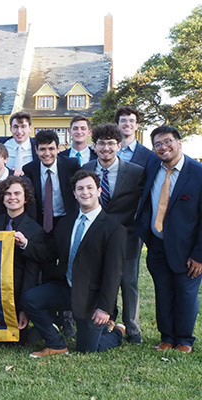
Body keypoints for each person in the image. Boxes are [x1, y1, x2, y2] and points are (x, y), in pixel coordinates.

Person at [17, 170, 126, 357]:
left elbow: (113, 272)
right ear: (74, 194)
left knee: (87, 349)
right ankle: (56, 344)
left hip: (91, 298)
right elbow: (49, 252)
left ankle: (117, 332)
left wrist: (104, 308)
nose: (85, 192)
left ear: (99, 191)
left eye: (90, 188)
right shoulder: (67, 223)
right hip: (66, 287)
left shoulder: (114, 229)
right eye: (80, 189)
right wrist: (25, 244)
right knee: (30, 299)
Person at [135, 126, 202, 354]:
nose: (164, 147)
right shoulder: (153, 165)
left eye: (168, 141)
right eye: (158, 144)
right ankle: (167, 337)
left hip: (188, 249)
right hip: (157, 245)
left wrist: (199, 255)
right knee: (163, 292)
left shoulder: (198, 173)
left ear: (179, 142)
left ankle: (184, 340)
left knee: (185, 294)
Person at [81, 123, 145, 344]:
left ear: (119, 145)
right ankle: (109, 320)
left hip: (127, 237)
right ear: (94, 146)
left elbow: (142, 204)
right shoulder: (86, 170)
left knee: (128, 282)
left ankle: (133, 328)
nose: (105, 148)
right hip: (97, 239)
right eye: (101, 143)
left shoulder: (136, 172)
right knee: (102, 280)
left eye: (110, 143)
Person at [0, 176, 45, 340]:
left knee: (19, 338)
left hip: (18, 288)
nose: (12, 197)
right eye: (7, 194)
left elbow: (31, 272)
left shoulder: (35, 229)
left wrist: (24, 309)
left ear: (25, 198)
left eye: (17, 193)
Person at [22, 130, 79, 232]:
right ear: (36, 149)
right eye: (42, 149)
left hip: (66, 219)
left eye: (51, 149)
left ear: (58, 149)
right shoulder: (29, 169)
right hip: (41, 220)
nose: (47, 154)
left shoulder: (71, 166)